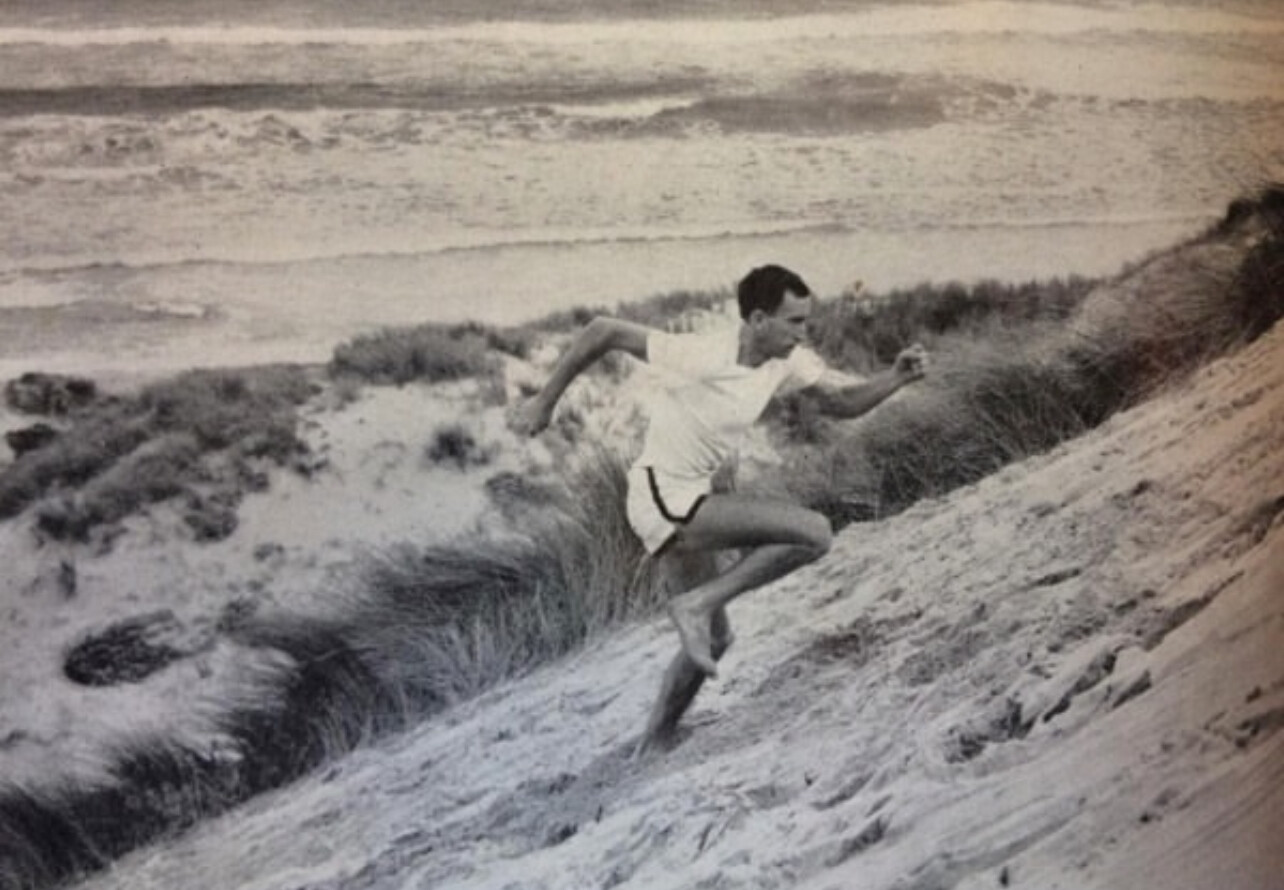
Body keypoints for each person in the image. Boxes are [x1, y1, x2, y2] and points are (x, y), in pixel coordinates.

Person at [509, 264, 928, 755]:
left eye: (805, 320)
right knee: (814, 533)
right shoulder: (705, 353)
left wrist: (895, 378)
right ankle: (697, 604)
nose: (802, 332)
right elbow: (605, 331)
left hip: (693, 498)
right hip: (659, 498)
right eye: (794, 321)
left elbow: (840, 402)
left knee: (714, 640)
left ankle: (654, 744)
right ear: (758, 320)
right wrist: (544, 403)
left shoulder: (785, 361)